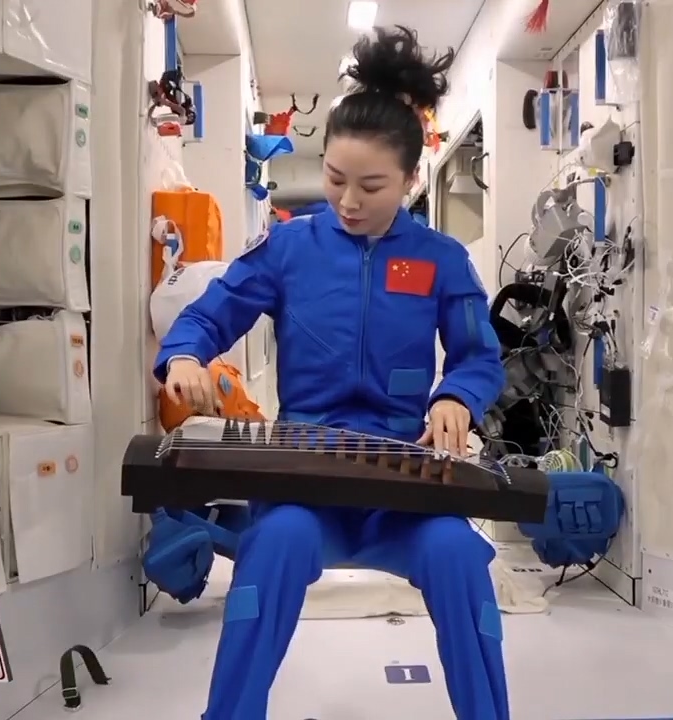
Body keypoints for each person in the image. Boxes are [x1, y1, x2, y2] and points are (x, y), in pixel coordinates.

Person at [154, 25, 509, 720]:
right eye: (335, 179)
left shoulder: (441, 261)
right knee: (273, 547)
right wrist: (186, 357)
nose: (348, 201)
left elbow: (477, 357)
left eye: (371, 186)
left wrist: (457, 399)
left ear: (410, 180)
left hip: (402, 487)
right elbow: (208, 314)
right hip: (303, 485)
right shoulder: (290, 248)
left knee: (459, 558)